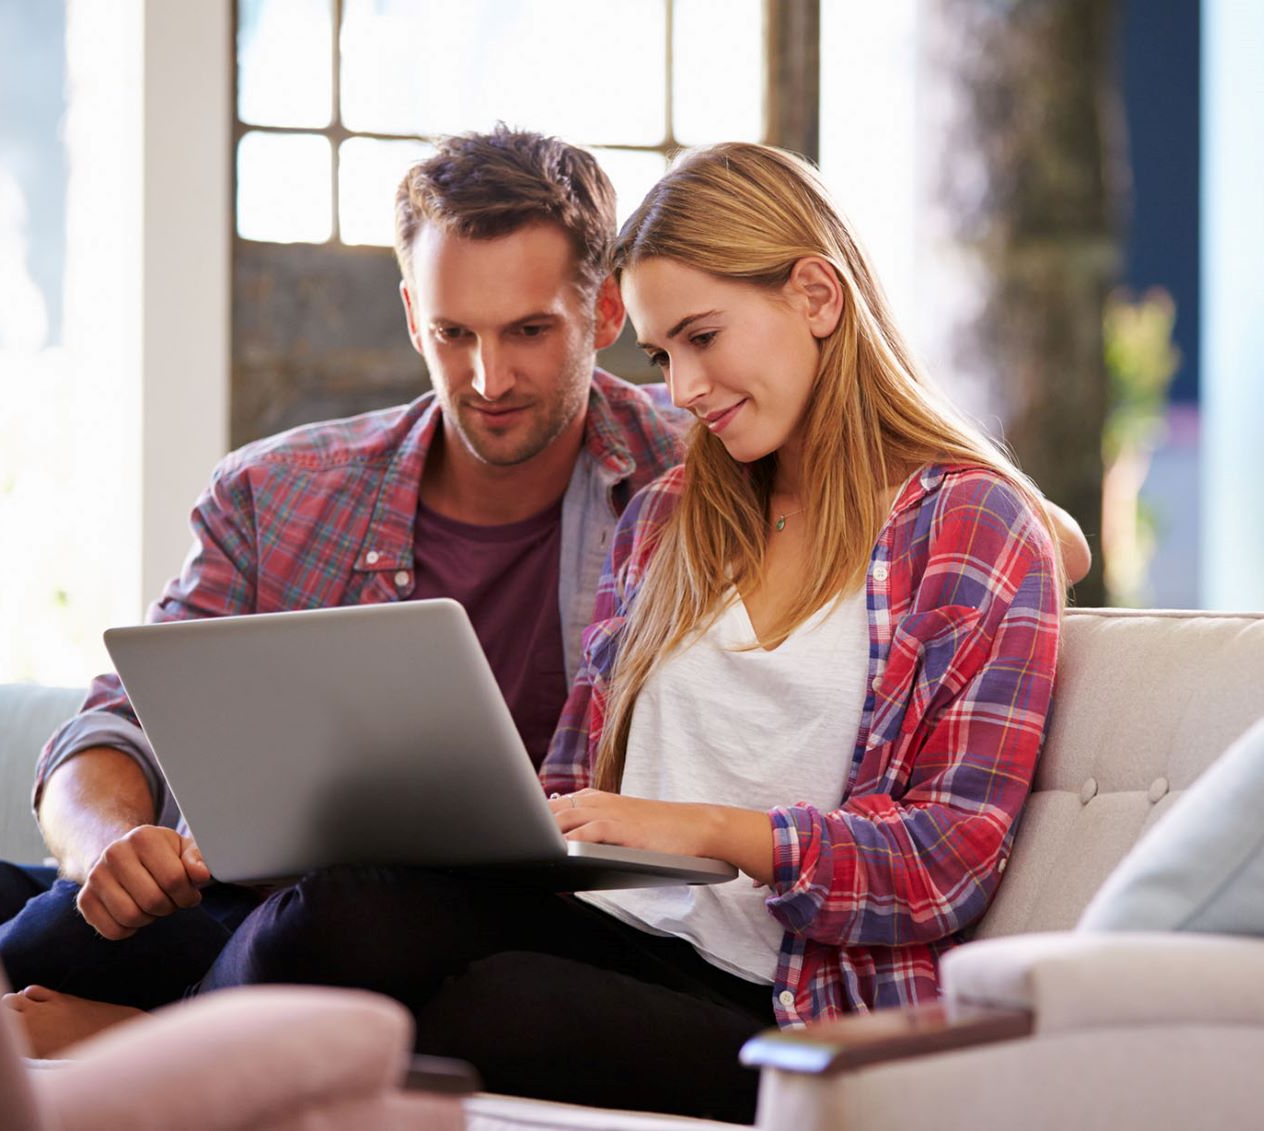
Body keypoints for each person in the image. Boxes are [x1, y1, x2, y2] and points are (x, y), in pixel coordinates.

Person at [235, 141, 1064, 1121]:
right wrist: (500, 823)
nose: (682, 389)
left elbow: (945, 860)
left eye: (704, 338)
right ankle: (165, 1079)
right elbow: (574, 782)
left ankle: (180, 1057)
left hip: (783, 1000)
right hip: (604, 924)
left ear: (817, 296)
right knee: (335, 914)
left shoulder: (965, 526)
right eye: (665, 354)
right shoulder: (669, 518)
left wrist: (702, 830)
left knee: (500, 1012)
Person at [0, 126, 691, 1055]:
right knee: (0, 903)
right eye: (452, 332)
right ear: (409, 311)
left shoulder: (694, 480)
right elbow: (116, 725)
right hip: (236, 899)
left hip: (446, 927)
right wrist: (107, 847)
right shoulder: (279, 491)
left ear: (607, 310)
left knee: (355, 909)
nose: (487, 377)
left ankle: (149, 1040)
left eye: (529, 331)